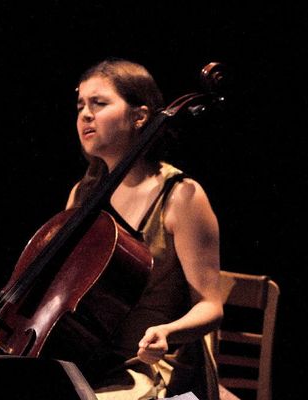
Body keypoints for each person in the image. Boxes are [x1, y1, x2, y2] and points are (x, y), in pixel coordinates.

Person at [63, 59, 223, 400]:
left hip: (149, 367)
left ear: (140, 116)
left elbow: (211, 306)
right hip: (88, 359)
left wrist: (168, 331)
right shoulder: (82, 195)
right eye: (80, 106)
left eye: (99, 103)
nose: (85, 115)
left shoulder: (182, 196)